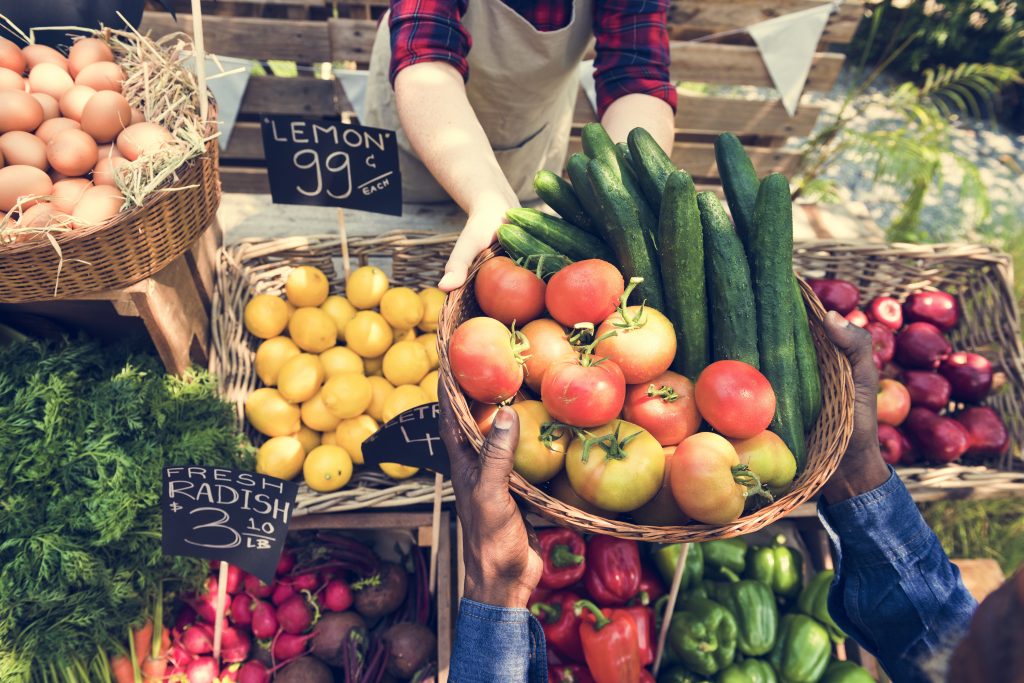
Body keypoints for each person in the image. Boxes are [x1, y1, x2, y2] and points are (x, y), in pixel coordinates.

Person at [439, 311, 1001, 683]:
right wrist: (854, 468)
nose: (991, 604)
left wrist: (498, 585)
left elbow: (952, 641)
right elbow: (942, 635)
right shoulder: (968, 652)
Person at [362, 0, 677, 292]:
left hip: (528, 148)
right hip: (421, 140)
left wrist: (622, 207)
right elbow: (426, 55)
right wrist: (486, 196)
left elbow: (636, 75)